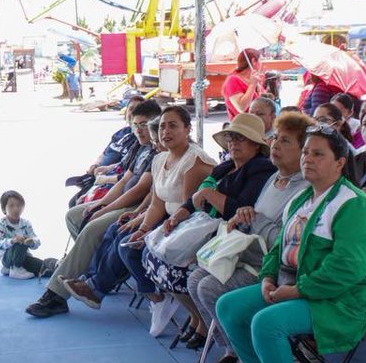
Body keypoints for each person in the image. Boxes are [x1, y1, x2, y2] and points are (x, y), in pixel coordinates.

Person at [216, 124, 366, 363]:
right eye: (306, 152)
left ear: (340, 162)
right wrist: (267, 277)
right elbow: (279, 248)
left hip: (338, 299)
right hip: (292, 284)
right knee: (229, 307)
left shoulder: (354, 205)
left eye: (318, 153)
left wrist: (296, 291)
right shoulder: (303, 197)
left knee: (267, 323)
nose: (308, 158)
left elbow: (347, 270)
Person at [191, 111, 313, 363]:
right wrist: (242, 218)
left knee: (208, 287)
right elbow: (254, 218)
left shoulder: (304, 190)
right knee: (195, 277)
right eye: (276, 139)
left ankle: (250, 358)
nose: (276, 146)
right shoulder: (275, 179)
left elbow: (286, 243)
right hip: (252, 254)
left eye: (285, 142)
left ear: (304, 152)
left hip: (273, 268)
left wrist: (254, 220)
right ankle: (234, 350)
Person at [63, 106, 216, 323]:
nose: (166, 132)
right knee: (118, 229)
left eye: (173, 126)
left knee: (128, 247)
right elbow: (157, 202)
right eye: (163, 126)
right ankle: (95, 285)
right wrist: (142, 226)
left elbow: (187, 210)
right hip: (168, 218)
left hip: (188, 224)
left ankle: (156, 296)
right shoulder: (160, 159)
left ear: (188, 129)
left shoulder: (194, 161)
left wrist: (148, 230)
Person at [145, 112, 276, 346]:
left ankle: (217, 336)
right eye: (231, 137)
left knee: (183, 272)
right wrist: (177, 217)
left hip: (232, 238)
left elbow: (239, 212)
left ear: (257, 145)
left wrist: (207, 194)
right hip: (209, 232)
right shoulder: (225, 167)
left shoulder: (261, 169)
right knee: (153, 254)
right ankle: (200, 322)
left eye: (240, 138)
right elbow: (190, 203)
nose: (233, 143)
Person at [26, 99, 163, 318]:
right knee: (74, 215)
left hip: (136, 206)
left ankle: (56, 295)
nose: (139, 129)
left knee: (91, 229)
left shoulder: (156, 150)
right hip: (122, 200)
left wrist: (106, 209)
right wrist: (101, 203)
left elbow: (138, 190)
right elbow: (124, 181)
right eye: (136, 124)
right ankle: (91, 268)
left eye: (144, 124)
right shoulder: (138, 146)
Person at [0, 191, 55, 279]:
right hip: (7, 258)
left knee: (44, 268)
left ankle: (11, 269)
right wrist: (12, 241)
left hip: (23, 258)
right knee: (20, 241)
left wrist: (32, 241)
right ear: (4, 209)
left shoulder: (26, 223)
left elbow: (37, 240)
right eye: (11, 206)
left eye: (19, 205)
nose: (16, 209)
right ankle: (14, 268)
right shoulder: (2, 224)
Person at [224, 49, 266, 119]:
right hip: (244, 125)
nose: (261, 64)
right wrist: (252, 85)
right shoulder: (233, 80)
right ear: (253, 61)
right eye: (260, 60)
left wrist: (259, 85)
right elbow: (241, 107)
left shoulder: (253, 79)